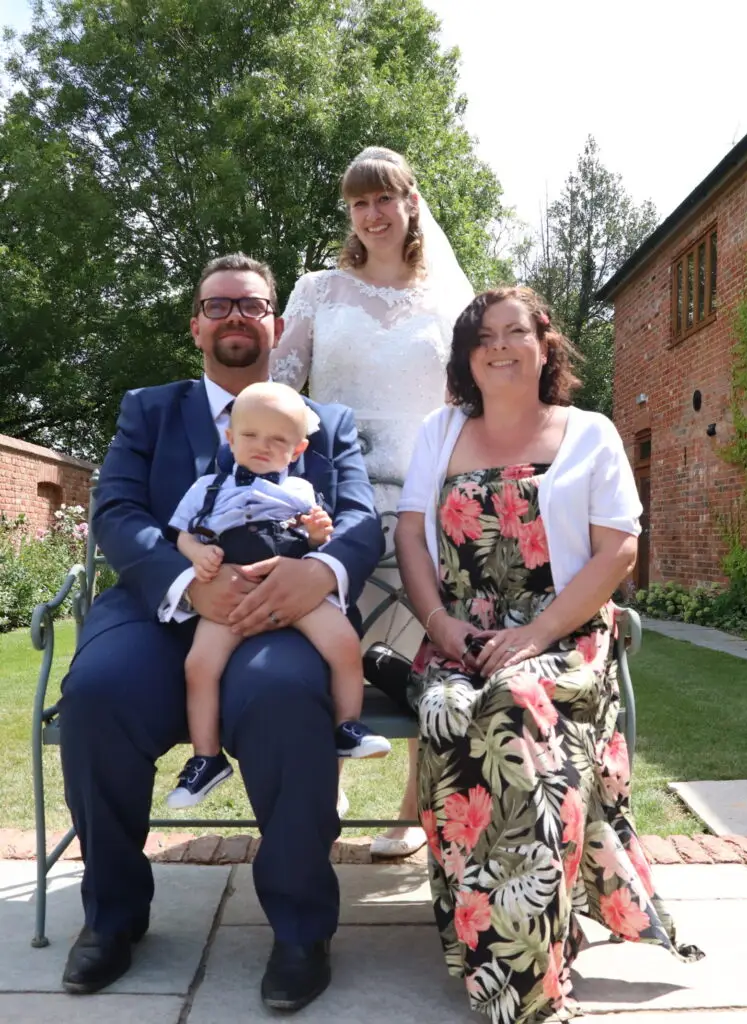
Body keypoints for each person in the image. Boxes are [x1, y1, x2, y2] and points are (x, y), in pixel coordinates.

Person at [58, 253, 384, 1013]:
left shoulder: (325, 422)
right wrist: (186, 584)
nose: (236, 317)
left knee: (281, 696)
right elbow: (117, 513)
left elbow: (362, 517)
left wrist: (322, 572)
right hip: (160, 612)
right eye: (219, 305)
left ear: (277, 323)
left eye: (253, 305)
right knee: (98, 694)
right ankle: (112, 918)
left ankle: (301, 929)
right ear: (197, 323)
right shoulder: (149, 408)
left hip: (281, 613)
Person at [395, 287, 703, 1023]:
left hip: (563, 638)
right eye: (483, 337)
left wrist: (535, 636)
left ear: (545, 345)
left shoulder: (590, 431)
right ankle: (485, 934)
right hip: (460, 639)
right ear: (468, 358)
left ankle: (525, 982)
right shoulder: (440, 432)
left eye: (515, 332)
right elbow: (410, 537)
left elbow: (618, 549)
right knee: (446, 711)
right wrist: (440, 626)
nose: (499, 346)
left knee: (516, 707)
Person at [271, 145, 473, 856]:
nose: (372, 214)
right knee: (330, 636)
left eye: (384, 199)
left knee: (426, 646)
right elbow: (279, 382)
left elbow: (467, 401)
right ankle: (328, 777)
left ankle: (413, 805)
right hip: (336, 491)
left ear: (412, 202)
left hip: (428, 491)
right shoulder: (317, 290)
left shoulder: (451, 302)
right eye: (359, 203)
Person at [165, 381, 391, 808]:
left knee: (343, 643)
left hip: (292, 591)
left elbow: (316, 538)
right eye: (250, 435)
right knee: (199, 665)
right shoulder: (206, 488)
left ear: (298, 449)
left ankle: (348, 726)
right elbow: (180, 532)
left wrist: (318, 533)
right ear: (230, 439)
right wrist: (198, 554)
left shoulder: (302, 491)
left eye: (278, 440)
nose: (262, 447)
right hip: (228, 593)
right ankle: (206, 758)